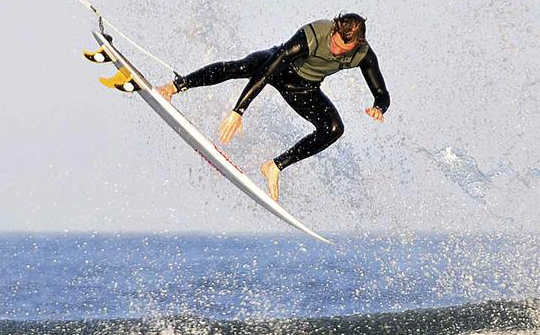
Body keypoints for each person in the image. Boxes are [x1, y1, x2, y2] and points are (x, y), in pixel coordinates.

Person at [157, 13, 389, 201]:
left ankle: (274, 166)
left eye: (342, 50)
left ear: (356, 44)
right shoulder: (314, 34)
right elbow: (268, 69)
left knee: (334, 129)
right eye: (334, 43)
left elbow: (382, 93)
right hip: (276, 66)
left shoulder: (363, 54)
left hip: (303, 89)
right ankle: (174, 87)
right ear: (334, 30)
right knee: (238, 68)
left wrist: (379, 107)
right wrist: (239, 110)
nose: (335, 50)